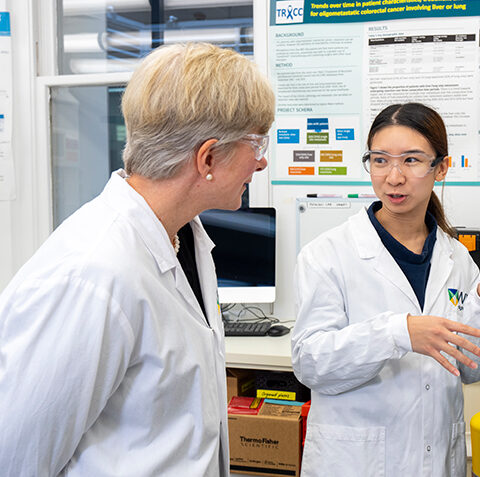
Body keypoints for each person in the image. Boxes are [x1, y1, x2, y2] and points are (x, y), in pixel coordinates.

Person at [0, 43, 275, 476]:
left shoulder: (183, 237)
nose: (261, 162)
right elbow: (17, 458)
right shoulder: (92, 275)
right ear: (207, 158)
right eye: (256, 142)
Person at [292, 102, 480, 476]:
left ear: (442, 167)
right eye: (380, 160)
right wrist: (398, 333)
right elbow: (311, 364)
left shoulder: (457, 258)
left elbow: (471, 370)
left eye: (412, 160)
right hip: (357, 463)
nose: (394, 177)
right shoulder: (328, 254)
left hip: (436, 461)